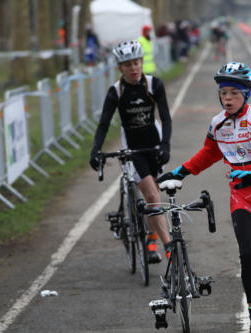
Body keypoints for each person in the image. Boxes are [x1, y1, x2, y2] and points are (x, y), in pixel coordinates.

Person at [157, 62, 251, 333]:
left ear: (246, 95)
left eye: (234, 93)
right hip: (240, 197)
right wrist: (181, 171)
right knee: (247, 254)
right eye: (223, 93)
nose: (227, 99)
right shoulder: (217, 124)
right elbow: (210, 153)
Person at [89, 40, 172, 263]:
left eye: (136, 63)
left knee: (153, 196)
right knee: (153, 197)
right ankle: (170, 250)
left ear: (141, 62)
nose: (134, 68)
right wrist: (95, 150)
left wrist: (165, 145)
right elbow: (104, 124)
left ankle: (151, 240)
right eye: (128, 65)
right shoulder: (116, 92)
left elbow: (165, 117)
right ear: (120, 68)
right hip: (133, 149)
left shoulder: (154, 85)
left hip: (154, 145)